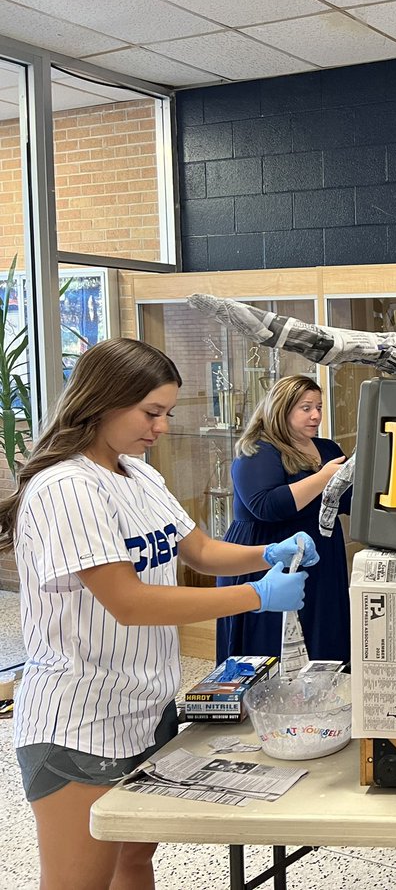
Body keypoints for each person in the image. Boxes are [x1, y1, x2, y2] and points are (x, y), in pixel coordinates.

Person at [0, 338, 313, 890]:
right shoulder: (66, 487)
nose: (162, 427)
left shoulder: (137, 474)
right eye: (152, 413)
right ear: (103, 401)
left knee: (135, 860)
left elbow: (200, 551)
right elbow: (128, 601)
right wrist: (255, 596)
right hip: (80, 722)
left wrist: (269, 552)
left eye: (167, 413)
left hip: (146, 708)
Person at [217, 374, 351, 663]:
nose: (316, 415)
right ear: (281, 408)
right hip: (265, 555)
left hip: (322, 553)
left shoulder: (328, 449)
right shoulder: (257, 450)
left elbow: (349, 500)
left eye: (318, 407)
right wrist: (324, 477)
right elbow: (266, 506)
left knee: (323, 633)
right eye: (306, 408)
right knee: (269, 646)